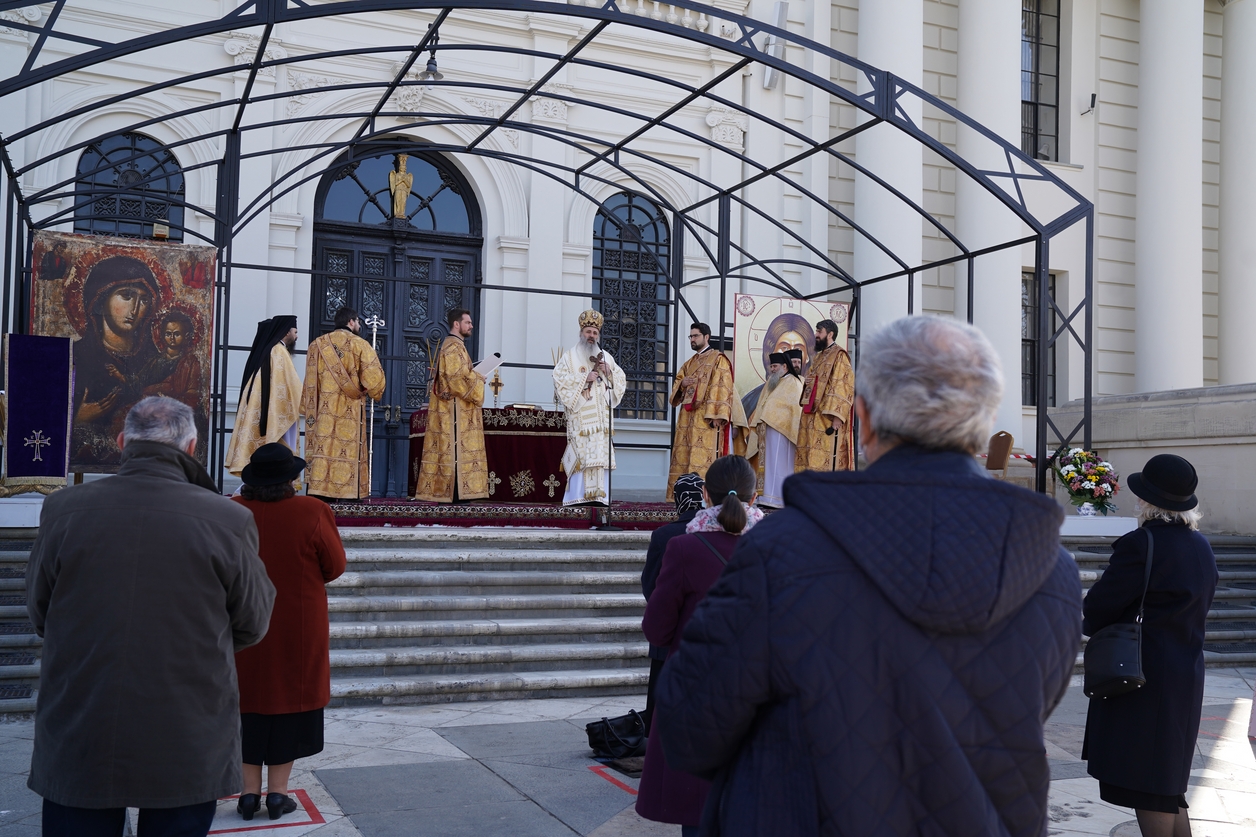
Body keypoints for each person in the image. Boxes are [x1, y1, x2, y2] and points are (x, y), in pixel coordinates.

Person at [655, 316, 1082, 837]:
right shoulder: (1052, 569)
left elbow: (690, 726)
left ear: (865, 419)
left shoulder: (780, 552)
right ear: (983, 423)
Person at [26, 396, 275, 837]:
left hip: (83, 717)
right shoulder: (228, 519)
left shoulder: (64, 509)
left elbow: (39, 611)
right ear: (192, 448)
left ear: (123, 442)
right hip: (186, 721)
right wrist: (195, 642)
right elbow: (253, 622)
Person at [1082, 454, 1217, 837]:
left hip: (1143, 678)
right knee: (1167, 788)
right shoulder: (1201, 546)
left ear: (1148, 500)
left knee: (1150, 788)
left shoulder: (1142, 544)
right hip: (1185, 675)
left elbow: (1099, 607)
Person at [637, 455, 762, 836]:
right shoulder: (780, 549)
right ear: (755, 498)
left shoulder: (683, 548)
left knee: (697, 811)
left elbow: (656, 630)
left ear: (705, 495)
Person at [233, 443, 346, 822]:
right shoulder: (313, 511)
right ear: (291, 479)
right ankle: (278, 794)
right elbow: (335, 566)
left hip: (242, 620)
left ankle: (248, 794)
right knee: (289, 701)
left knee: (245, 698)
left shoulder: (233, 511)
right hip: (298, 621)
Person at [71, 255, 164, 465]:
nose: (135, 309)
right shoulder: (75, 356)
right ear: (100, 300)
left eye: (144, 300)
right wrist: (77, 419)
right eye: (126, 295)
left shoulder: (155, 362)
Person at [640, 472, 706, 733]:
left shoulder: (665, 535)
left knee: (660, 710)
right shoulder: (715, 532)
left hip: (668, 634)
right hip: (703, 631)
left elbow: (651, 586)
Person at [301, 306, 387, 500]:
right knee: (347, 451)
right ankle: (347, 495)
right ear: (351, 322)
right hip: (350, 413)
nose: (359, 326)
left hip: (322, 414)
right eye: (358, 322)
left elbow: (310, 384)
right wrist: (374, 392)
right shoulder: (360, 345)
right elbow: (374, 381)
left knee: (323, 448)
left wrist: (308, 407)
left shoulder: (316, 345)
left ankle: (320, 491)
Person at [414, 308, 489, 502]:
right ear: (457, 324)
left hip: (458, 408)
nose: (471, 326)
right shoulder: (453, 347)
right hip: (454, 410)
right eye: (467, 322)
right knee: (454, 449)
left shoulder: (456, 345)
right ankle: (455, 493)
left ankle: (457, 493)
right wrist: (478, 378)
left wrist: (475, 375)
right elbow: (456, 380)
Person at [552, 309, 626, 506]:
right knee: (582, 455)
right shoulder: (569, 357)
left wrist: (609, 373)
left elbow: (621, 380)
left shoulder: (607, 357)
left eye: (594, 332)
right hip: (582, 421)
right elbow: (559, 379)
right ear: (581, 333)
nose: (591, 336)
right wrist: (584, 377)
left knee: (600, 456)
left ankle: (600, 497)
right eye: (588, 332)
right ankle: (577, 497)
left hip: (601, 422)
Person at [226, 316, 302, 478]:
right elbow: (292, 384)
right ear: (286, 332)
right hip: (278, 411)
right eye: (295, 332)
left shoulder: (271, 350)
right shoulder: (279, 351)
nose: (296, 336)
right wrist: (308, 401)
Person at [667, 323, 738, 499]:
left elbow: (722, 386)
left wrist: (717, 415)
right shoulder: (689, 363)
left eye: (695, 336)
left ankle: (704, 496)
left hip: (706, 419)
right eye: (690, 336)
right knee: (684, 456)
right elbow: (678, 384)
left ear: (706, 337)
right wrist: (682, 384)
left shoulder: (718, 359)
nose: (692, 339)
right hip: (687, 418)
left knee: (703, 458)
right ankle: (683, 495)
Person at [794, 318, 855, 472]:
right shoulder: (819, 357)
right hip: (812, 416)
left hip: (826, 418)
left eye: (819, 332)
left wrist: (837, 417)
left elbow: (843, 385)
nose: (816, 335)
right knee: (809, 458)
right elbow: (814, 382)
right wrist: (808, 382)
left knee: (825, 461)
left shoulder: (839, 355)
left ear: (830, 334)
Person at [745, 351, 803, 508]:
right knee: (768, 464)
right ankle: (766, 497)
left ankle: (778, 498)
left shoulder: (793, 382)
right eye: (771, 366)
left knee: (780, 464)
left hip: (783, 433)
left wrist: (774, 419)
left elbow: (795, 409)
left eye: (775, 366)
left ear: (785, 367)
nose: (772, 369)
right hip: (768, 431)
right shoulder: (773, 382)